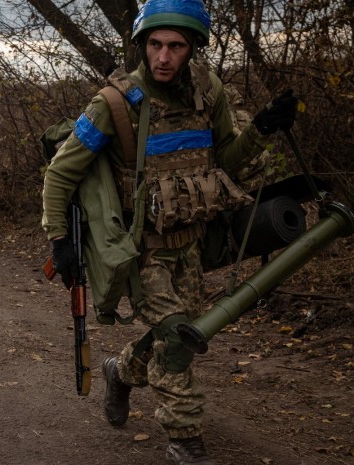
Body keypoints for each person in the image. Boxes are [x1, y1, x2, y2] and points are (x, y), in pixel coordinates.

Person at [40, 1, 298, 464]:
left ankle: (121, 371)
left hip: (193, 241)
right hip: (144, 249)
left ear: (193, 48)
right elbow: (61, 173)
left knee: (185, 330)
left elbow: (229, 161)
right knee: (177, 340)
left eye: (175, 46)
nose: (163, 56)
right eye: (155, 44)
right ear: (142, 45)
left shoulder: (208, 90)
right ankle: (185, 439)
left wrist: (260, 130)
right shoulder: (114, 103)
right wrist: (59, 241)